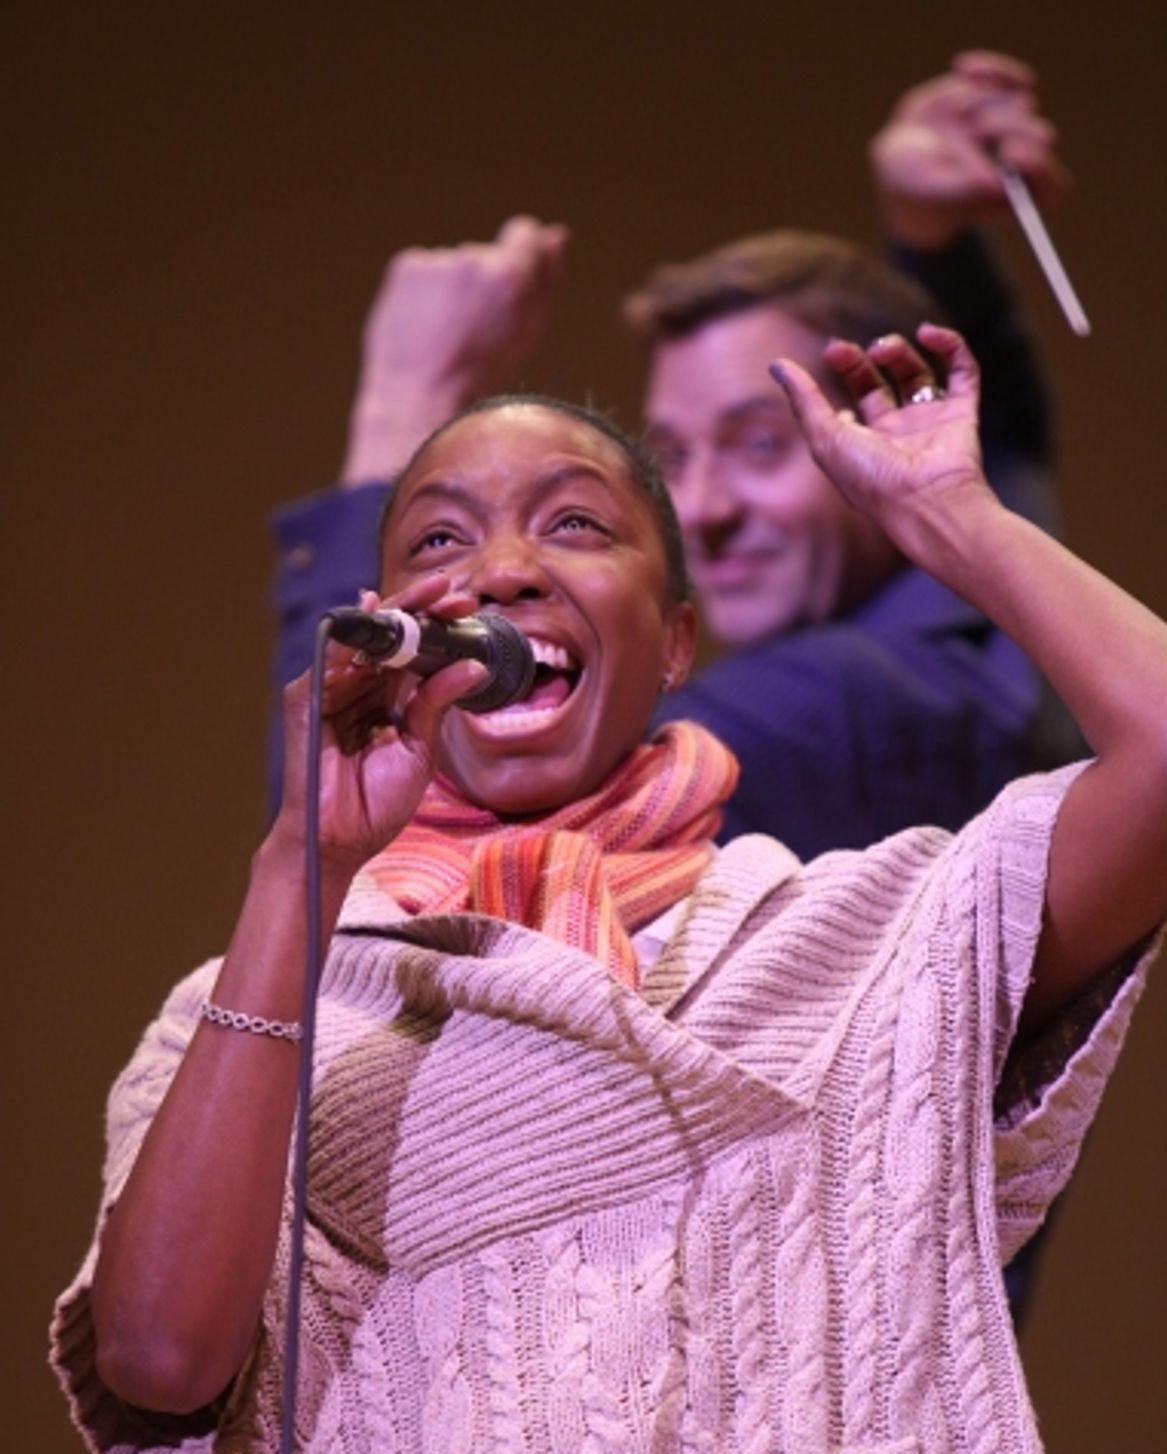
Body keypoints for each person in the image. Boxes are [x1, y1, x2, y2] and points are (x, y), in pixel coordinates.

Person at [53, 322, 1167, 1454]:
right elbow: (155, 1362)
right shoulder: (253, 1012)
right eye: (443, 540)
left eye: (576, 523)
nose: (507, 570)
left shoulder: (854, 936)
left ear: (672, 643)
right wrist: (297, 872)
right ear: (395, 632)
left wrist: (945, 515)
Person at [269, 49, 1082, 860]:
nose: (703, 510)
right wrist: (931, 238)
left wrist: (399, 400)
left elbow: (353, 829)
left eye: (761, 444)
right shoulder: (997, 624)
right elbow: (1004, 434)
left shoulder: (841, 704)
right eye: (675, 458)